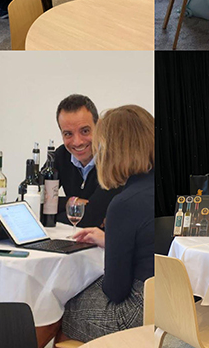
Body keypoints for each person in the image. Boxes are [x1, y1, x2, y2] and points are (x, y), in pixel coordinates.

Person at [36, 105, 154, 347]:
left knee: (57, 302)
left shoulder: (124, 203)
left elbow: (115, 290)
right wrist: (110, 240)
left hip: (137, 315)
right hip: (169, 303)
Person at [52, 94, 123, 228]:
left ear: (98, 126)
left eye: (85, 131)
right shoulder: (61, 155)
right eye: (68, 134)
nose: (77, 142)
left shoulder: (114, 160)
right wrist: (74, 202)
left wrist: (52, 209)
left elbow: (91, 218)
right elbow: (30, 201)